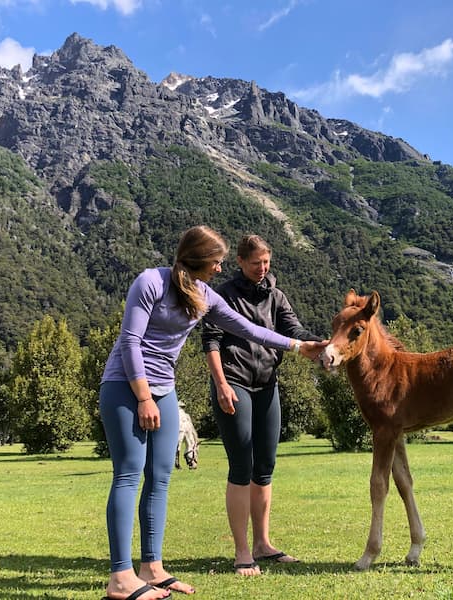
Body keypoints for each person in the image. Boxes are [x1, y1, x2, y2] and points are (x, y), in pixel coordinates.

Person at [98, 226, 326, 600]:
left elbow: (248, 328)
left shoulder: (203, 295)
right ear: (199, 259)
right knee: (128, 475)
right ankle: (120, 578)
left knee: (159, 478)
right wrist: (143, 397)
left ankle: (151, 567)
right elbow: (130, 341)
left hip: (164, 389)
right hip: (126, 387)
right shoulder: (151, 282)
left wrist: (298, 346)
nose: (220, 270)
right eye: (216, 262)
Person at [202, 234, 324, 576]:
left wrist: (318, 345)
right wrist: (221, 384)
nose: (262, 268)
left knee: (265, 466)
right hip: (234, 384)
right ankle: (242, 552)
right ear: (240, 262)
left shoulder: (276, 296)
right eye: (255, 263)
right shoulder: (222, 295)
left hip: (267, 386)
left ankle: (263, 544)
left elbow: (293, 330)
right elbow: (211, 342)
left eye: (266, 262)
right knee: (242, 466)